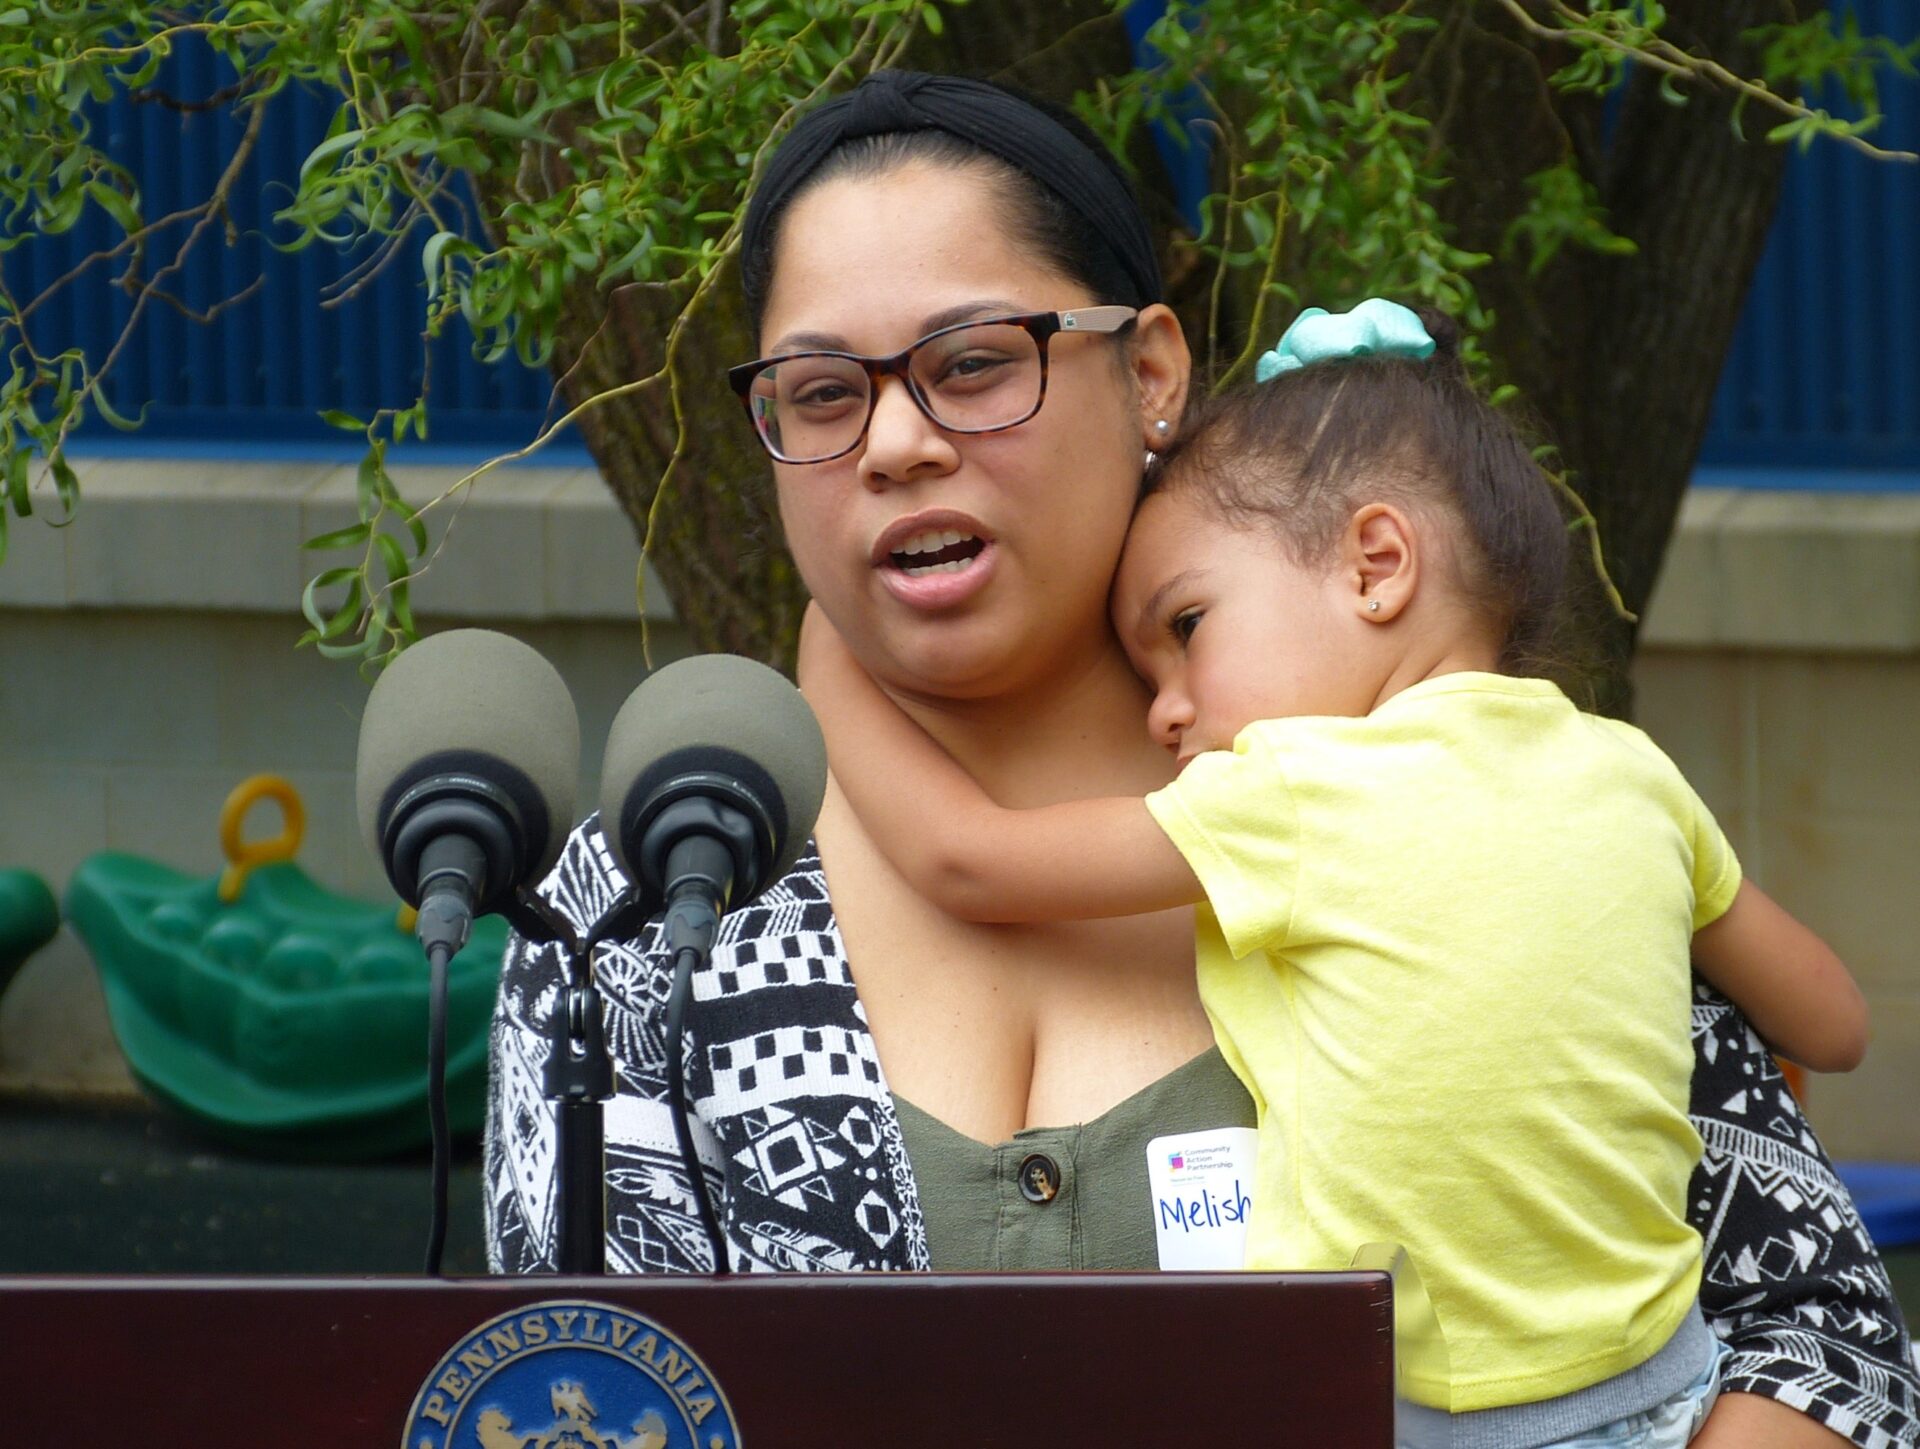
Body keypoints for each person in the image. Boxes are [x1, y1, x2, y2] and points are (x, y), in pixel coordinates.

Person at [484, 69, 1920, 1449]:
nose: (897, 442)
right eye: (818, 395)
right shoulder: (648, 896)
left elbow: (1825, 1339)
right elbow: (558, 1390)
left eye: (975, 364)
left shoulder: (1439, 785)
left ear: (1153, 373)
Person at [796, 294, 1869, 1444]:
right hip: (1674, 1389)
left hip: (1418, 1414)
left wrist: (830, 648)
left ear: (1376, 564)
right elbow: (1836, 1022)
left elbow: (969, 862)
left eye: (1187, 627)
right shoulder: (1636, 777)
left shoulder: (1292, 795)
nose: (1167, 711)